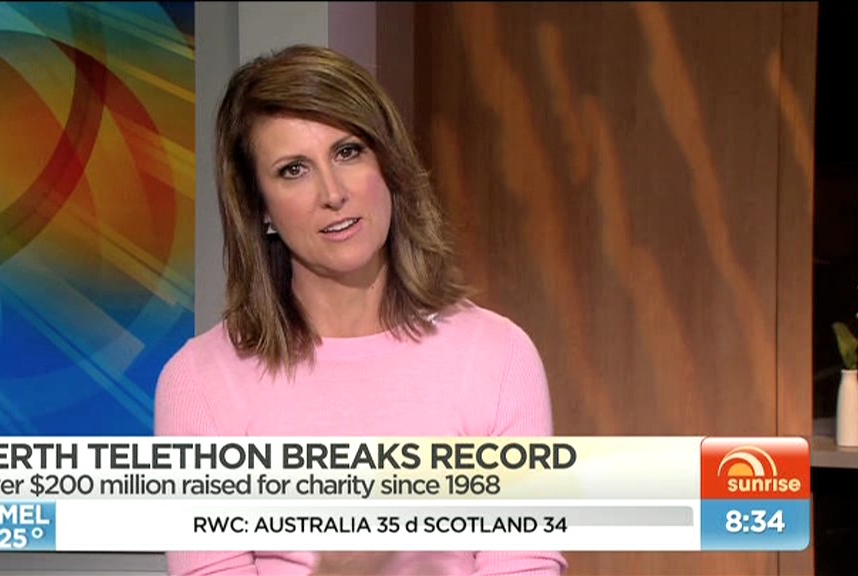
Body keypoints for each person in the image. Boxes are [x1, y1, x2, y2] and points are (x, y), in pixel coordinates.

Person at [154, 44, 567, 576]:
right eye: (293, 170)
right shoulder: (199, 382)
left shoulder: (499, 357)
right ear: (260, 208)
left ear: (387, 164)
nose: (333, 193)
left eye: (348, 152)